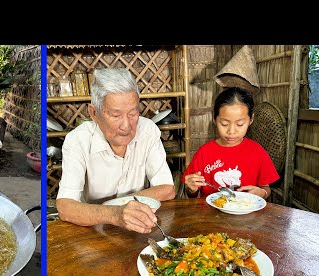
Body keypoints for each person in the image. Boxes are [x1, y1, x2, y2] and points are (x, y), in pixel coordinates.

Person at [55, 68, 176, 234]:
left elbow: (167, 188)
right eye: (116, 115)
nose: (126, 125)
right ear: (94, 113)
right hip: (93, 232)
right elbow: (65, 207)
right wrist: (116, 213)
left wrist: (127, 209)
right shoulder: (77, 141)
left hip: (140, 228)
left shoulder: (148, 131)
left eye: (133, 113)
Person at [182, 86, 280, 198]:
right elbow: (191, 194)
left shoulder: (257, 151)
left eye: (240, 124)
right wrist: (191, 189)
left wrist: (262, 193)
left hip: (245, 212)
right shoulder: (205, 152)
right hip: (210, 213)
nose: (231, 131)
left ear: (251, 120)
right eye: (224, 124)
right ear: (214, 119)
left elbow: (266, 188)